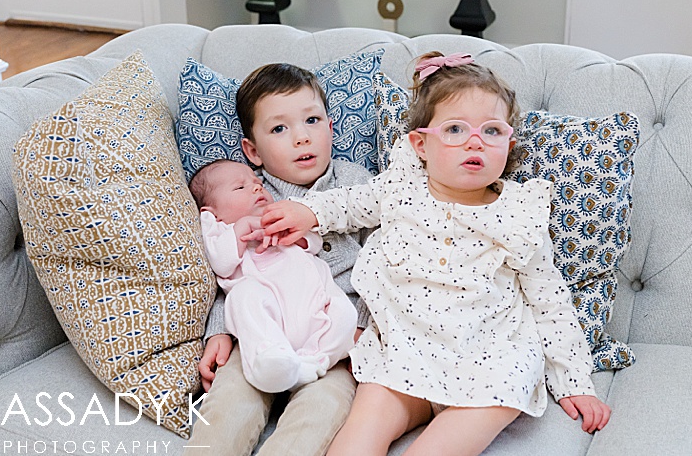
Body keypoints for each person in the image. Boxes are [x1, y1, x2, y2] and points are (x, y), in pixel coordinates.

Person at [260, 52, 611, 456]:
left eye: (492, 131)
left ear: (509, 143)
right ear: (421, 145)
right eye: (456, 129)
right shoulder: (401, 189)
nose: (475, 141)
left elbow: (550, 302)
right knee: (357, 439)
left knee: (463, 424)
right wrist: (307, 211)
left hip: (490, 360)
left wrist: (574, 382)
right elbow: (351, 203)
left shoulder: (518, 214)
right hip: (404, 350)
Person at [189, 63, 375, 456]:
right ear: (252, 151)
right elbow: (232, 272)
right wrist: (219, 330)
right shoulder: (247, 193)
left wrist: (363, 326)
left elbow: (385, 261)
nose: (302, 137)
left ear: (330, 126)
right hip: (264, 331)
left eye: (312, 120)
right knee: (229, 403)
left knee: (321, 408)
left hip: (332, 338)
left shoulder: (356, 182)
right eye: (279, 129)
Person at [190, 159, 357, 394]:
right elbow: (221, 264)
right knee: (242, 296)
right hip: (272, 317)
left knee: (346, 313)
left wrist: (291, 234)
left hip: (314, 305)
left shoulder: (279, 213)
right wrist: (243, 227)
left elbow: (315, 242)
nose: (257, 187)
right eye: (240, 187)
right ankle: (269, 363)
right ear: (211, 213)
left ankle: (316, 361)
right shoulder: (219, 231)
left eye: (258, 183)